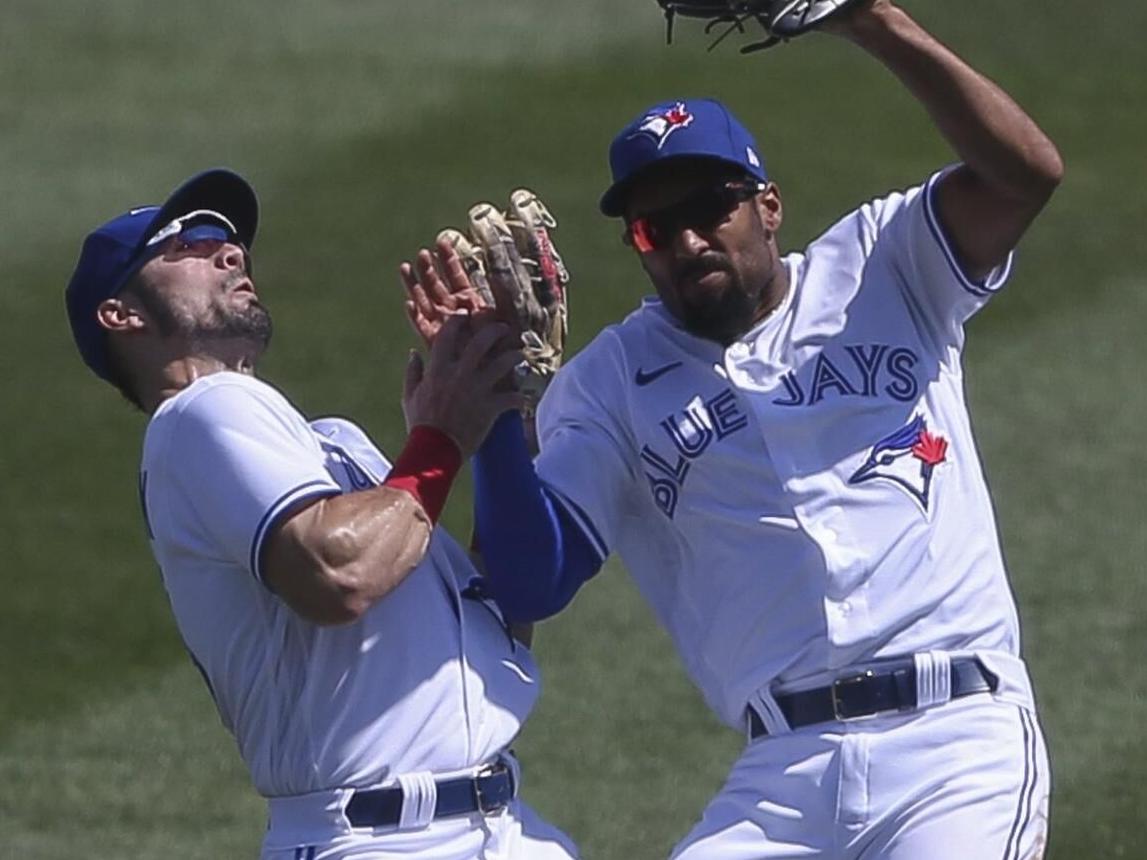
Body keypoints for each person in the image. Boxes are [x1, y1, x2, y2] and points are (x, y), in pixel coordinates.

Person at [403, 1, 1063, 857]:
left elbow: (1025, 176)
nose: (686, 236)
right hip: (783, 773)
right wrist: (493, 417)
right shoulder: (606, 384)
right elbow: (533, 584)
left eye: (711, 204)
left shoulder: (883, 263)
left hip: (956, 744)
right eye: (653, 225)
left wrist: (872, 21)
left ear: (768, 206)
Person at [64, 168, 579, 860]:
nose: (231, 251)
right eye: (187, 243)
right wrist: (443, 436)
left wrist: (496, 421)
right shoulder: (197, 413)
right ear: (121, 314)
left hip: (505, 829)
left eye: (231, 241)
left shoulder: (333, 444)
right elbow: (339, 573)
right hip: (378, 842)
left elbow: (509, 608)